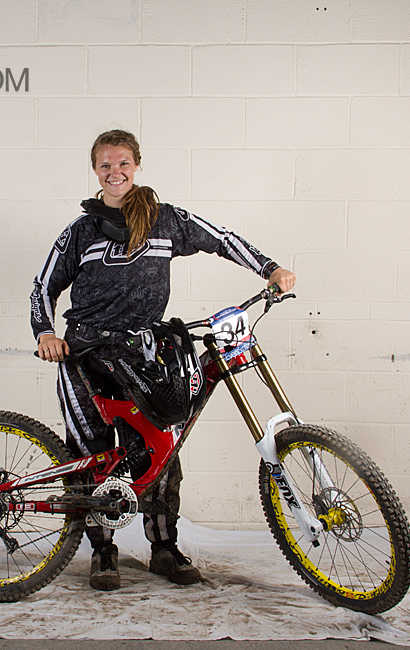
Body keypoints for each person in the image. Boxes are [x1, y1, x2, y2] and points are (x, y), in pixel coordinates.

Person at [30, 129, 295, 591]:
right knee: (93, 455)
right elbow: (42, 287)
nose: (115, 172)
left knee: (161, 452)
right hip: (85, 356)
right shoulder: (80, 231)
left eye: (123, 163)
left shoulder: (164, 219)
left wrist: (269, 268)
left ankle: (164, 548)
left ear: (136, 165)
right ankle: (103, 552)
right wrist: (46, 333)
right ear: (95, 170)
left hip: (146, 355)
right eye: (105, 165)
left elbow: (221, 239)